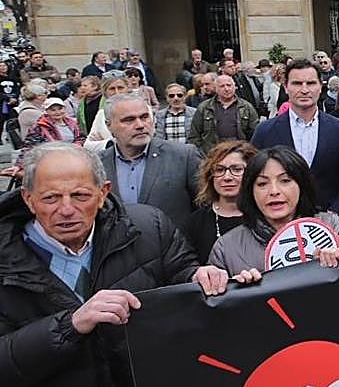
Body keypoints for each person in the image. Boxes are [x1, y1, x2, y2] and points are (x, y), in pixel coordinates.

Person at [0, 143, 236, 387]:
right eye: (50, 198)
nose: (65, 209)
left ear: (104, 191)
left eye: (80, 195)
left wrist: (208, 281)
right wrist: (71, 325)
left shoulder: (148, 229)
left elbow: (184, 283)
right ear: (27, 199)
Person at [209, 146, 339, 275]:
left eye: (285, 181)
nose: (274, 191)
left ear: (302, 184)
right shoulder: (226, 248)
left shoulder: (333, 227)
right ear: (250, 191)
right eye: (262, 183)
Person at [251, 59, 339, 223]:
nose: (304, 89)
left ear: (320, 86)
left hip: (330, 223)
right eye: (297, 83)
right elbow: (254, 178)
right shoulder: (265, 131)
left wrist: (335, 213)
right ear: (286, 87)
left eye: (311, 83)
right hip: (279, 223)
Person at [98, 93, 202, 231]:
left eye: (144, 117)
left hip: (175, 249)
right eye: (129, 120)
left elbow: (205, 207)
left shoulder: (183, 156)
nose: (140, 125)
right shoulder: (97, 164)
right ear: (109, 125)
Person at [183, 140, 256, 263]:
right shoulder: (195, 223)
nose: (227, 177)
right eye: (220, 170)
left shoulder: (265, 217)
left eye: (237, 169)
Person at [188, 72, 258, 154]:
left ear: (234, 87)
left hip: (239, 154)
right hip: (212, 155)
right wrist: (202, 154)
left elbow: (255, 134)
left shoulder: (247, 107)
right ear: (216, 89)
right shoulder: (204, 108)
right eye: (222, 86)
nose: (226, 89)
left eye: (229, 85)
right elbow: (194, 136)